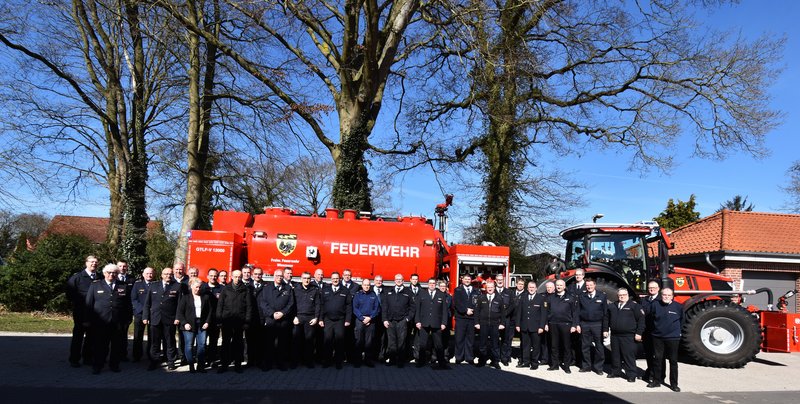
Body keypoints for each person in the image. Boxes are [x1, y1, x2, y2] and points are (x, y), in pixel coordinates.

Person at [85, 263, 132, 374]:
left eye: (114, 273)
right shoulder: (96, 285)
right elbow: (89, 303)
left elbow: (128, 305)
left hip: (117, 321)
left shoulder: (123, 286)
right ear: (104, 273)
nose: (112, 275)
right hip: (101, 321)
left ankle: (114, 365)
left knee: (116, 345)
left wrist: (128, 319)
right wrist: (87, 320)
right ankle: (98, 365)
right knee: (100, 345)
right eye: (109, 272)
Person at [143, 267, 183, 371]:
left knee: (170, 341)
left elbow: (179, 304)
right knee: (154, 342)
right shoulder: (153, 285)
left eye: (170, 274)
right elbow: (147, 303)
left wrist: (177, 317)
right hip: (155, 318)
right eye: (166, 274)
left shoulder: (177, 286)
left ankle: (171, 362)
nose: (168, 276)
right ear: (161, 275)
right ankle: (154, 361)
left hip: (170, 318)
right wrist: (145, 316)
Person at [216, 269, 253, 373]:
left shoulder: (245, 290)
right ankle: (224, 365)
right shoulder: (226, 289)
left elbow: (249, 307)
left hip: (239, 322)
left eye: (239, 277)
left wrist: (247, 321)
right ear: (232, 277)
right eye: (235, 277)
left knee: (238, 344)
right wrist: (219, 319)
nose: (237, 279)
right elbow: (220, 305)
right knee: (225, 344)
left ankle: (237, 365)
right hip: (227, 321)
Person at [647, 288, 683, 392]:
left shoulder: (678, 307)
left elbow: (682, 320)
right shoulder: (655, 305)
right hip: (658, 337)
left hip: (673, 337)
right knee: (657, 359)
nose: (666, 297)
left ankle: (674, 384)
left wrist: (676, 332)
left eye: (668, 295)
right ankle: (657, 381)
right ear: (661, 295)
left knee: (673, 361)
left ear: (672, 296)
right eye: (664, 295)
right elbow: (650, 319)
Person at [258, 268, 295, 371]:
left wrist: (283, 313)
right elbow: (263, 303)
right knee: (269, 343)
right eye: (277, 276)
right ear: (274, 277)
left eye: (281, 276)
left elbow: (291, 303)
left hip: (283, 320)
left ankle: (281, 364)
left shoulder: (288, 288)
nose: (279, 278)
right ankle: (268, 364)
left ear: (283, 277)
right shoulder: (266, 288)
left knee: (282, 343)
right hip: (271, 320)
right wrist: (272, 313)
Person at [66, 255, 98, 368]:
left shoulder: (100, 277)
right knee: (78, 336)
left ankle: (87, 358)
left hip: (95, 313)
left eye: (96, 262)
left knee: (91, 337)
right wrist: (82, 301)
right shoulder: (77, 277)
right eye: (92, 262)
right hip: (81, 312)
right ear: (86, 263)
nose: (94, 264)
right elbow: (69, 294)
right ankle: (74, 359)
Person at [606, 288, 644, 382]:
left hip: (628, 336)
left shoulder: (635, 306)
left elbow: (641, 320)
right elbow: (606, 318)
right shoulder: (612, 306)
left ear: (627, 295)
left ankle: (631, 375)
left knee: (628, 356)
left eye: (624, 295)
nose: (622, 297)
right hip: (615, 335)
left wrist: (639, 333)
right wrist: (605, 329)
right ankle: (616, 372)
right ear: (617, 296)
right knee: (615, 355)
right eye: (620, 295)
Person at [177, 278, 213, 373]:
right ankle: (191, 365)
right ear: (191, 286)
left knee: (202, 345)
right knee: (189, 345)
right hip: (189, 324)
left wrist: (207, 322)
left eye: (200, 287)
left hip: (202, 324)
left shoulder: (205, 297)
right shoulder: (185, 297)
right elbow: (180, 312)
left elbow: (210, 311)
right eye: (196, 287)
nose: (198, 289)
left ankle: (200, 366)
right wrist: (184, 323)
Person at [415, 278, 450, 370]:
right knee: (422, 344)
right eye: (430, 283)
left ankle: (442, 363)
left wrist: (444, 323)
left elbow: (444, 311)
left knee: (439, 344)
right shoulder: (421, 294)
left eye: (433, 283)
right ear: (427, 284)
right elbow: (417, 309)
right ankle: (421, 362)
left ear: (436, 284)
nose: (432, 285)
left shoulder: (441, 294)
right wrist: (417, 321)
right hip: (424, 322)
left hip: (437, 323)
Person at [319, 271, 352, 369]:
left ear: (340, 279)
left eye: (337, 278)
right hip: (328, 320)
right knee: (327, 341)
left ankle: (338, 362)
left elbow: (349, 306)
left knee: (339, 342)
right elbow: (321, 305)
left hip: (340, 320)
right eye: (333, 278)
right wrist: (320, 319)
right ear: (331, 279)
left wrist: (348, 319)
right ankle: (327, 361)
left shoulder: (345, 290)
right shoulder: (325, 290)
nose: (335, 280)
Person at [576, 278, 608, 375]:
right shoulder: (582, 296)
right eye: (587, 285)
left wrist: (605, 329)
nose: (589, 287)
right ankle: (586, 366)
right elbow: (577, 312)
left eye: (591, 285)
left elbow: (605, 314)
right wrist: (577, 324)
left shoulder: (602, 296)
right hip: (585, 324)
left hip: (598, 324)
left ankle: (598, 367)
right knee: (585, 346)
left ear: (594, 285)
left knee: (599, 347)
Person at [545, 279, 577, 373]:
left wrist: (574, 325)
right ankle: (555, 365)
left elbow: (575, 313)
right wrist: (546, 323)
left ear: (564, 286)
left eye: (560, 285)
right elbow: (546, 312)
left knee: (566, 346)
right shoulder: (551, 298)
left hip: (566, 324)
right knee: (554, 346)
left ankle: (566, 366)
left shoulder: (570, 298)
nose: (559, 287)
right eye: (557, 285)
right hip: (553, 324)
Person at [383, 274, 414, 367]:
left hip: (402, 321)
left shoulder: (408, 292)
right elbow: (385, 307)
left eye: (400, 279)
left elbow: (412, 307)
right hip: (390, 320)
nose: (398, 281)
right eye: (397, 279)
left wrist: (408, 318)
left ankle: (400, 361)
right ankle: (392, 359)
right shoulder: (389, 291)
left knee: (401, 341)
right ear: (394, 280)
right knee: (391, 341)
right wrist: (384, 319)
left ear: (403, 281)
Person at [292, 272, 321, 368]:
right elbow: (292, 304)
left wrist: (316, 318)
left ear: (310, 279)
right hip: (298, 317)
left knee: (309, 341)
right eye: (304, 278)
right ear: (301, 279)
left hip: (310, 318)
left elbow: (317, 305)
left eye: (308, 278)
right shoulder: (295, 290)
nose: (306, 280)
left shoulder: (315, 290)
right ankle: (295, 362)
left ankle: (308, 361)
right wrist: (294, 316)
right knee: (296, 341)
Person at [474, 281, 506, 369]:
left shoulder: (499, 298)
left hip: (495, 324)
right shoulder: (481, 298)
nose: (490, 289)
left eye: (491, 287)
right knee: (482, 344)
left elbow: (503, 313)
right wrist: (476, 323)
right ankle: (482, 361)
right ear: (486, 288)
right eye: (488, 287)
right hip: (483, 324)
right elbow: (477, 311)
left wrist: (502, 323)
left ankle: (495, 361)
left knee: (495, 344)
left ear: (494, 288)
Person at [516, 280, 546, 369]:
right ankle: (526, 362)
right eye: (530, 287)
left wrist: (541, 326)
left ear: (536, 288)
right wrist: (518, 324)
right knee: (525, 346)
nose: (531, 289)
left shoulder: (541, 298)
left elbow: (543, 314)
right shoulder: (523, 297)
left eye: (533, 287)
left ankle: (534, 363)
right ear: (527, 288)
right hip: (524, 326)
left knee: (536, 346)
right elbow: (519, 312)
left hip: (536, 327)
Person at [353, 278, 380, 367]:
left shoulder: (373, 295)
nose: (366, 286)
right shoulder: (357, 295)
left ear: (370, 286)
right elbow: (355, 308)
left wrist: (370, 318)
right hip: (360, 321)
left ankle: (368, 360)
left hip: (371, 321)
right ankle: (357, 360)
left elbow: (376, 308)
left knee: (369, 342)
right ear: (362, 286)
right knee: (359, 341)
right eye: (365, 285)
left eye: (368, 285)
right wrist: (362, 318)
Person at [453, 274, 480, 365]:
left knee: (470, 339)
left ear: (471, 280)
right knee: (459, 338)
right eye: (466, 279)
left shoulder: (476, 291)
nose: (467, 280)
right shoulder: (458, 290)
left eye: (469, 279)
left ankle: (469, 357)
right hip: (461, 318)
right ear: (462, 280)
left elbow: (478, 304)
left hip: (472, 318)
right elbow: (457, 303)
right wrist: (465, 310)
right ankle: (459, 357)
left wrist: (473, 311)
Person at [131, 266, 155, 363]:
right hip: (140, 313)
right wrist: (143, 310)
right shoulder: (137, 285)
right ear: (143, 275)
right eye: (147, 273)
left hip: (152, 314)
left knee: (152, 336)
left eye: (151, 273)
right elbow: (133, 299)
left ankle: (150, 355)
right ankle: (137, 356)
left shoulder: (156, 284)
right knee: (138, 335)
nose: (149, 275)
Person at [246, 267, 266, 368]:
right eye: (256, 274)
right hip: (250, 317)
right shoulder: (247, 286)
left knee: (260, 341)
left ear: (262, 275)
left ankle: (259, 361)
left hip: (261, 317)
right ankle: (250, 361)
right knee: (249, 341)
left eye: (259, 274)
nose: (257, 276)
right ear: (252, 275)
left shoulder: (266, 286)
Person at [641, 280, 660, 383]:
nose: (651, 289)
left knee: (656, 355)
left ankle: (656, 375)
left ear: (658, 289)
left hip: (656, 331)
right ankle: (649, 371)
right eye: (649, 288)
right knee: (648, 354)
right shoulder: (644, 300)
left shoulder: (661, 300)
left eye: (653, 288)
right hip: (646, 331)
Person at [205, 268, 224, 368]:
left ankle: (212, 360)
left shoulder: (222, 288)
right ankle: (202, 360)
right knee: (202, 341)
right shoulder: (203, 287)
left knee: (213, 341)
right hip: (204, 319)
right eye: (211, 275)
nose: (213, 277)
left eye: (215, 276)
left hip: (215, 319)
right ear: (207, 276)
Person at [495, 273, 515, 365]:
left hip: (506, 319)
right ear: (495, 281)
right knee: (494, 340)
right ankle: (495, 358)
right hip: (495, 319)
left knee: (505, 340)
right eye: (498, 280)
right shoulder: (492, 291)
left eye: (501, 280)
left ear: (503, 281)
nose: (500, 281)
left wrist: (504, 314)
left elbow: (512, 305)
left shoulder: (509, 292)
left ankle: (504, 358)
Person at [438, 280, 454, 362]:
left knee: (445, 339)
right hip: (437, 320)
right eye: (441, 286)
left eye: (444, 286)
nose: (442, 288)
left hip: (446, 320)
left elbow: (451, 308)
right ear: (439, 287)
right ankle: (435, 356)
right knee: (436, 339)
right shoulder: (435, 296)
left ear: (446, 287)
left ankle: (445, 356)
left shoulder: (449, 297)